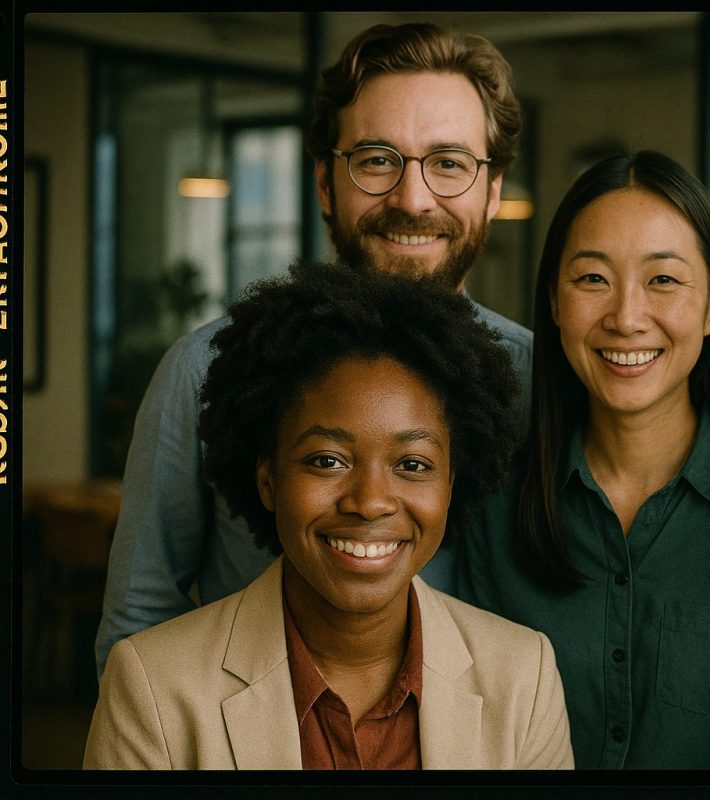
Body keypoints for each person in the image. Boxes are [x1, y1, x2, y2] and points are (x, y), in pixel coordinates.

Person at [96, 22, 530, 679]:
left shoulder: (544, 381)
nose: (413, 199)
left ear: (492, 190)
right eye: (378, 160)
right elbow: (138, 628)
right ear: (327, 183)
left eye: (449, 163)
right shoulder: (206, 371)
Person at [84, 261, 572, 770]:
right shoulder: (151, 686)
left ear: (452, 483)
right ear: (268, 478)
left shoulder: (524, 680)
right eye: (327, 461)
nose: (369, 501)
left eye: (412, 464)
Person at [458, 151, 710, 769]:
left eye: (663, 280)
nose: (625, 318)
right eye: (592, 279)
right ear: (556, 303)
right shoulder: (493, 503)